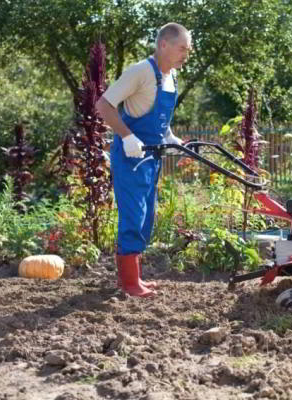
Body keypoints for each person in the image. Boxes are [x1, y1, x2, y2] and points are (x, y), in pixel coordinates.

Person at [96, 22, 192, 297]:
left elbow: (161, 118)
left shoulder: (171, 76)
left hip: (151, 157)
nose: (186, 53)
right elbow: (103, 105)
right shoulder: (140, 71)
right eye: (182, 48)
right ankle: (129, 282)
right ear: (164, 44)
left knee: (147, 215)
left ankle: (132, 277)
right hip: (130, 157)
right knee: (133, 215)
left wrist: (170, 137)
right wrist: (126, 137)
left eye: (188, 49)